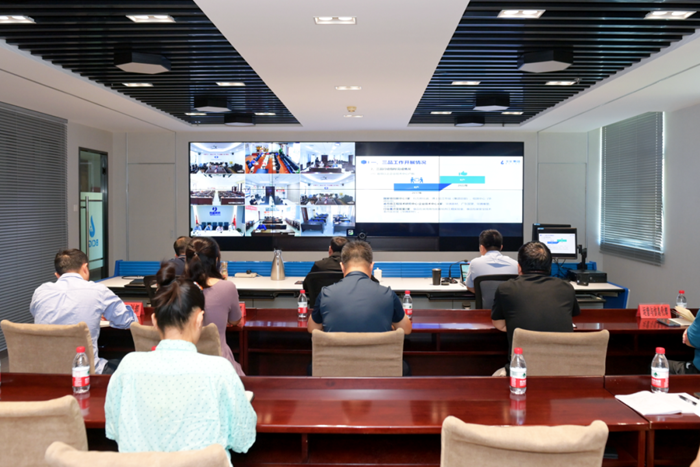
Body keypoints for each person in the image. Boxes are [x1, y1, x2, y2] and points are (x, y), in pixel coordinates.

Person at [105, 264, 256, 462]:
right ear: (199, 319)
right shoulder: (220, 370)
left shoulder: (127, 368)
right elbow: (243, 439)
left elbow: (114, 430)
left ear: (155, 321)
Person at [30, 249, 136, 374]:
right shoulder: (98, 291)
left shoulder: (40, 291)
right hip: (86, 372)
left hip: (45, 372)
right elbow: (128, 321)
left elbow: (37, 314)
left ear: (57, 275)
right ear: (85, 268)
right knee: (131, 364)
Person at [491, 241, 581, 371]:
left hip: (521, 372)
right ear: (550, 267)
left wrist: (520, 327)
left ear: (519, 267)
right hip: (562, 371)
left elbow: (499, 324)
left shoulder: (506, 288)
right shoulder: (566, 288)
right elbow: (570, 317)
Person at [185, 237, 244, 376]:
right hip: (220, 364)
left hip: (187, 364)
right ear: (216, 261)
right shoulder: (227, 287)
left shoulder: (178, 289)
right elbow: (235, 320)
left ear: (187, 261)